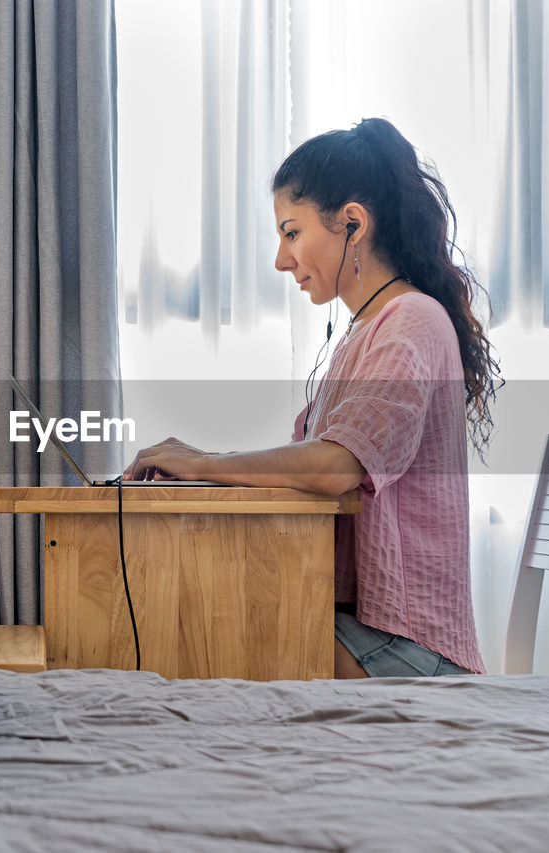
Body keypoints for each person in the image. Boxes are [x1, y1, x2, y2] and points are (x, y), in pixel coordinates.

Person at [123, 117, 500, 678]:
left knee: (197, 629)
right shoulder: (367, 330)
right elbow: (311, 465)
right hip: (371, 627)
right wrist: (202, 465)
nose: (281, 259)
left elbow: (336, 467)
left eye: (292, 232)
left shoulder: (411, 322)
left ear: (353, 223)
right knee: (195, 618)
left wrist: (202, 463)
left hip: (407, 646)